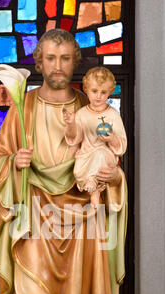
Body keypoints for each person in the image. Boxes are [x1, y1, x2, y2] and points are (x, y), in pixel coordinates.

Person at [0, 29, 128, 294]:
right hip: (35, 218)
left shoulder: (92, 107)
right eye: (50, 58)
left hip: (82, 220)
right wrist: (12, 165)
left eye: (66, 58)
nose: (58, 65)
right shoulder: (23, 107)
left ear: (75, 62)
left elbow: (112, 158)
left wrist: (115, 180)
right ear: (39, 62)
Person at [63, 67, 127, 207]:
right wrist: (71, 123)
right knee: (78, 169)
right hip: (86, 154)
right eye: (94, 91)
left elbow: (121, 144)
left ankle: (94, 188)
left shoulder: (113, 115)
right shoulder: (81, 114)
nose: (98, 96)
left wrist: (111, 139)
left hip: (104, 155)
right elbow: (76, 138)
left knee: (99, 154)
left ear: (110, 92)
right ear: (86, 89)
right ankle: (91, 186)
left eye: (103, 92)